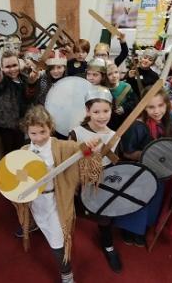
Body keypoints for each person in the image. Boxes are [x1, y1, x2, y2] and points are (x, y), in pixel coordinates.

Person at [13, 105, 102, 283]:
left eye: (42, 131)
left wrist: (90, 148)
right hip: (36, 201)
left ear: (50, 128)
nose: (38, 138)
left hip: (56, 201)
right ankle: (33, 224)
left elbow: (82, 151)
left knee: (58, 241)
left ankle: (66, 274)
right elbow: (15, 178)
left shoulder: (62, 146)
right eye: (33, 133)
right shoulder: (24, 152)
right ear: (27, 132)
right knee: (40, 224)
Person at [114, 86, 172, 245]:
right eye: (151, 107)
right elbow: (127, 152)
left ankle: (141, 230)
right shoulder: (138, 126)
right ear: (143, 107)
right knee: (135, 203)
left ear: (166, 104)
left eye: (160, 105)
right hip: (138, 175)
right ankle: (128, 230)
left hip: (159, 174)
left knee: (151, 205)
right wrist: (151, 154)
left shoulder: (168, 123)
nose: (156, 111)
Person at [68, 87, 122, 273]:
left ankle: (108, 246)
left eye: (106, 111)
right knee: (70, 214)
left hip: (101, 185)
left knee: (105, 218)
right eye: (96, 111)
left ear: (111, 110)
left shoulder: (115, 136)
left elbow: (115, 164)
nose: (101, 116)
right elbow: (68, 159)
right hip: (78, 183)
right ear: (87, 111)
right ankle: (65, 246)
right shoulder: (76, 132)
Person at [0, 50, 37, 154]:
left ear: (19, 64)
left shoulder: (24, 79)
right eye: (8, 67)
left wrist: (32, 83)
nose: (12, 69)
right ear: (2, 68)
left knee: (20, 149)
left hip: (21, 124)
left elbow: (29, 98)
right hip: (6, 126)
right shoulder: (3, 81)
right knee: (8, 152)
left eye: (14, 65)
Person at [106, 61, 137, 130]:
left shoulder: (126, 87)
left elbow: (133, 102)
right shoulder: (104, 89)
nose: (114, 76)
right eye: (110, 74)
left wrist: (124, 108)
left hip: (124, 120)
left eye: (116, 72)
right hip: (110, 122)